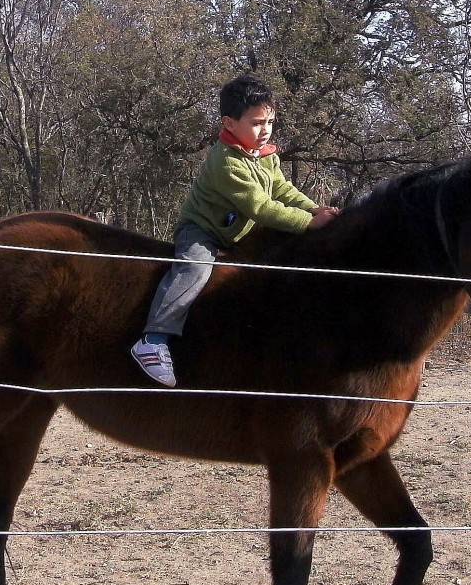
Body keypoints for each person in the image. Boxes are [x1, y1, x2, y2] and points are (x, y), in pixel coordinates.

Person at [130, 74, 339, 387]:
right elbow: (261, 207)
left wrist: (312, 208)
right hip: (203, 230)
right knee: (195, 269)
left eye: (269, 121)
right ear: (229, 123)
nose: (265, 129)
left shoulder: (265, 154)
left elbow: (281, 188)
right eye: (256, 123)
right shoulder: (227, 162)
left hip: (240, 233)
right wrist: (308, 223)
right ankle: (154, 340)